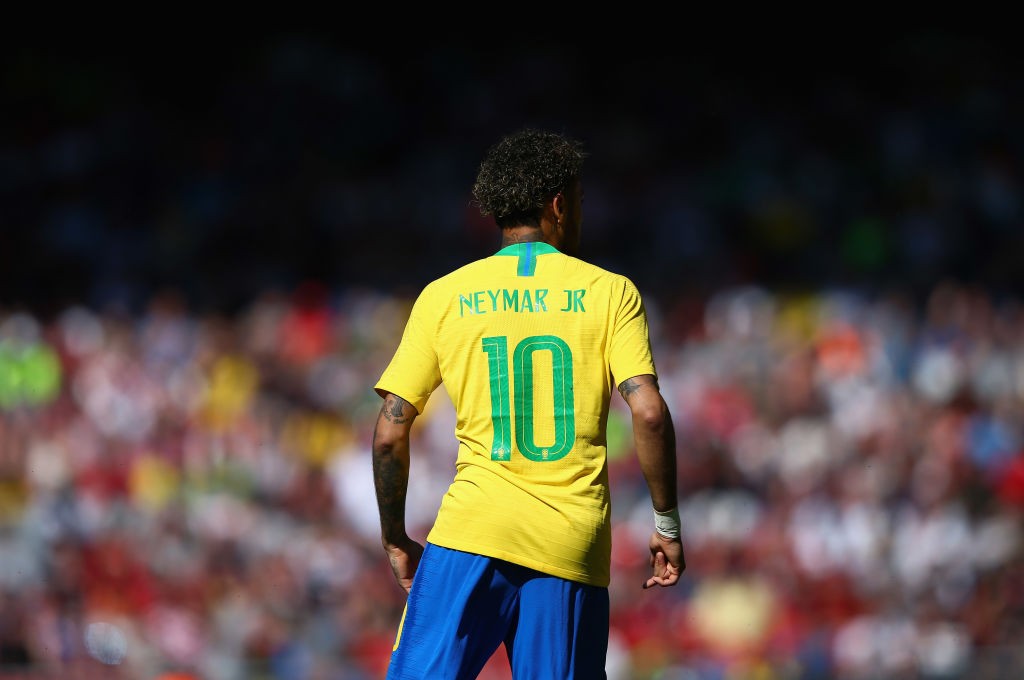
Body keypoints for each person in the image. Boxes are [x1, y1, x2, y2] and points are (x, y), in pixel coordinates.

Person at [371, 127, 684, 679]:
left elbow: (390, 431)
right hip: (569, 543)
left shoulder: (444, 295)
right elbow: (651, 413)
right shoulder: (611, 292)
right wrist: (666, 523)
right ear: (559, 205)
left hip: (471, 531)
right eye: (581, 201)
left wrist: (396, 537)